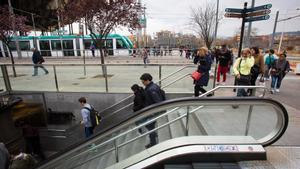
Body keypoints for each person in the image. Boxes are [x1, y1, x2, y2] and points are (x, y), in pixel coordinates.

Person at [140, 73, 165, 148]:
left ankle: (153, 143)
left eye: (143, 81)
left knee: (150, 126)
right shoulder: (153, 86)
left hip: (152, 112)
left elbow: (157, 102)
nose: (142, 83)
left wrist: (152, 113)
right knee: (148, 125)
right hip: (151, 111)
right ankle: (153, 135)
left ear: (147, 80)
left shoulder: (151, 89)